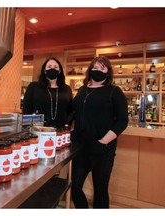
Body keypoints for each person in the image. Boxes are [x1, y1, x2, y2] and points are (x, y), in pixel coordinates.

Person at [70, 56, 128, 208]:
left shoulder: (114, 91)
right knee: (75, 187)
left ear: (108, 72)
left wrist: (103, 141)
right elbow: (76, 113)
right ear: (90, 70)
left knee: (100, 191)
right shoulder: (82, 90)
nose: (98, 71)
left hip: (102, 148)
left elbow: (122, 121)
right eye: (95, 68)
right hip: (80, 147)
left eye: (102, 68)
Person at [22, 57, 74, 129]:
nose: (52, 69)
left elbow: (71, 111)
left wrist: (67, 124)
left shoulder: (66, 89)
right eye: (49, 66)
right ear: (44, 70)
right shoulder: (34, 87)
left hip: (61, 131)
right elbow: (26, 110)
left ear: (59, 71)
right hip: (38, 131)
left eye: (55, 67)